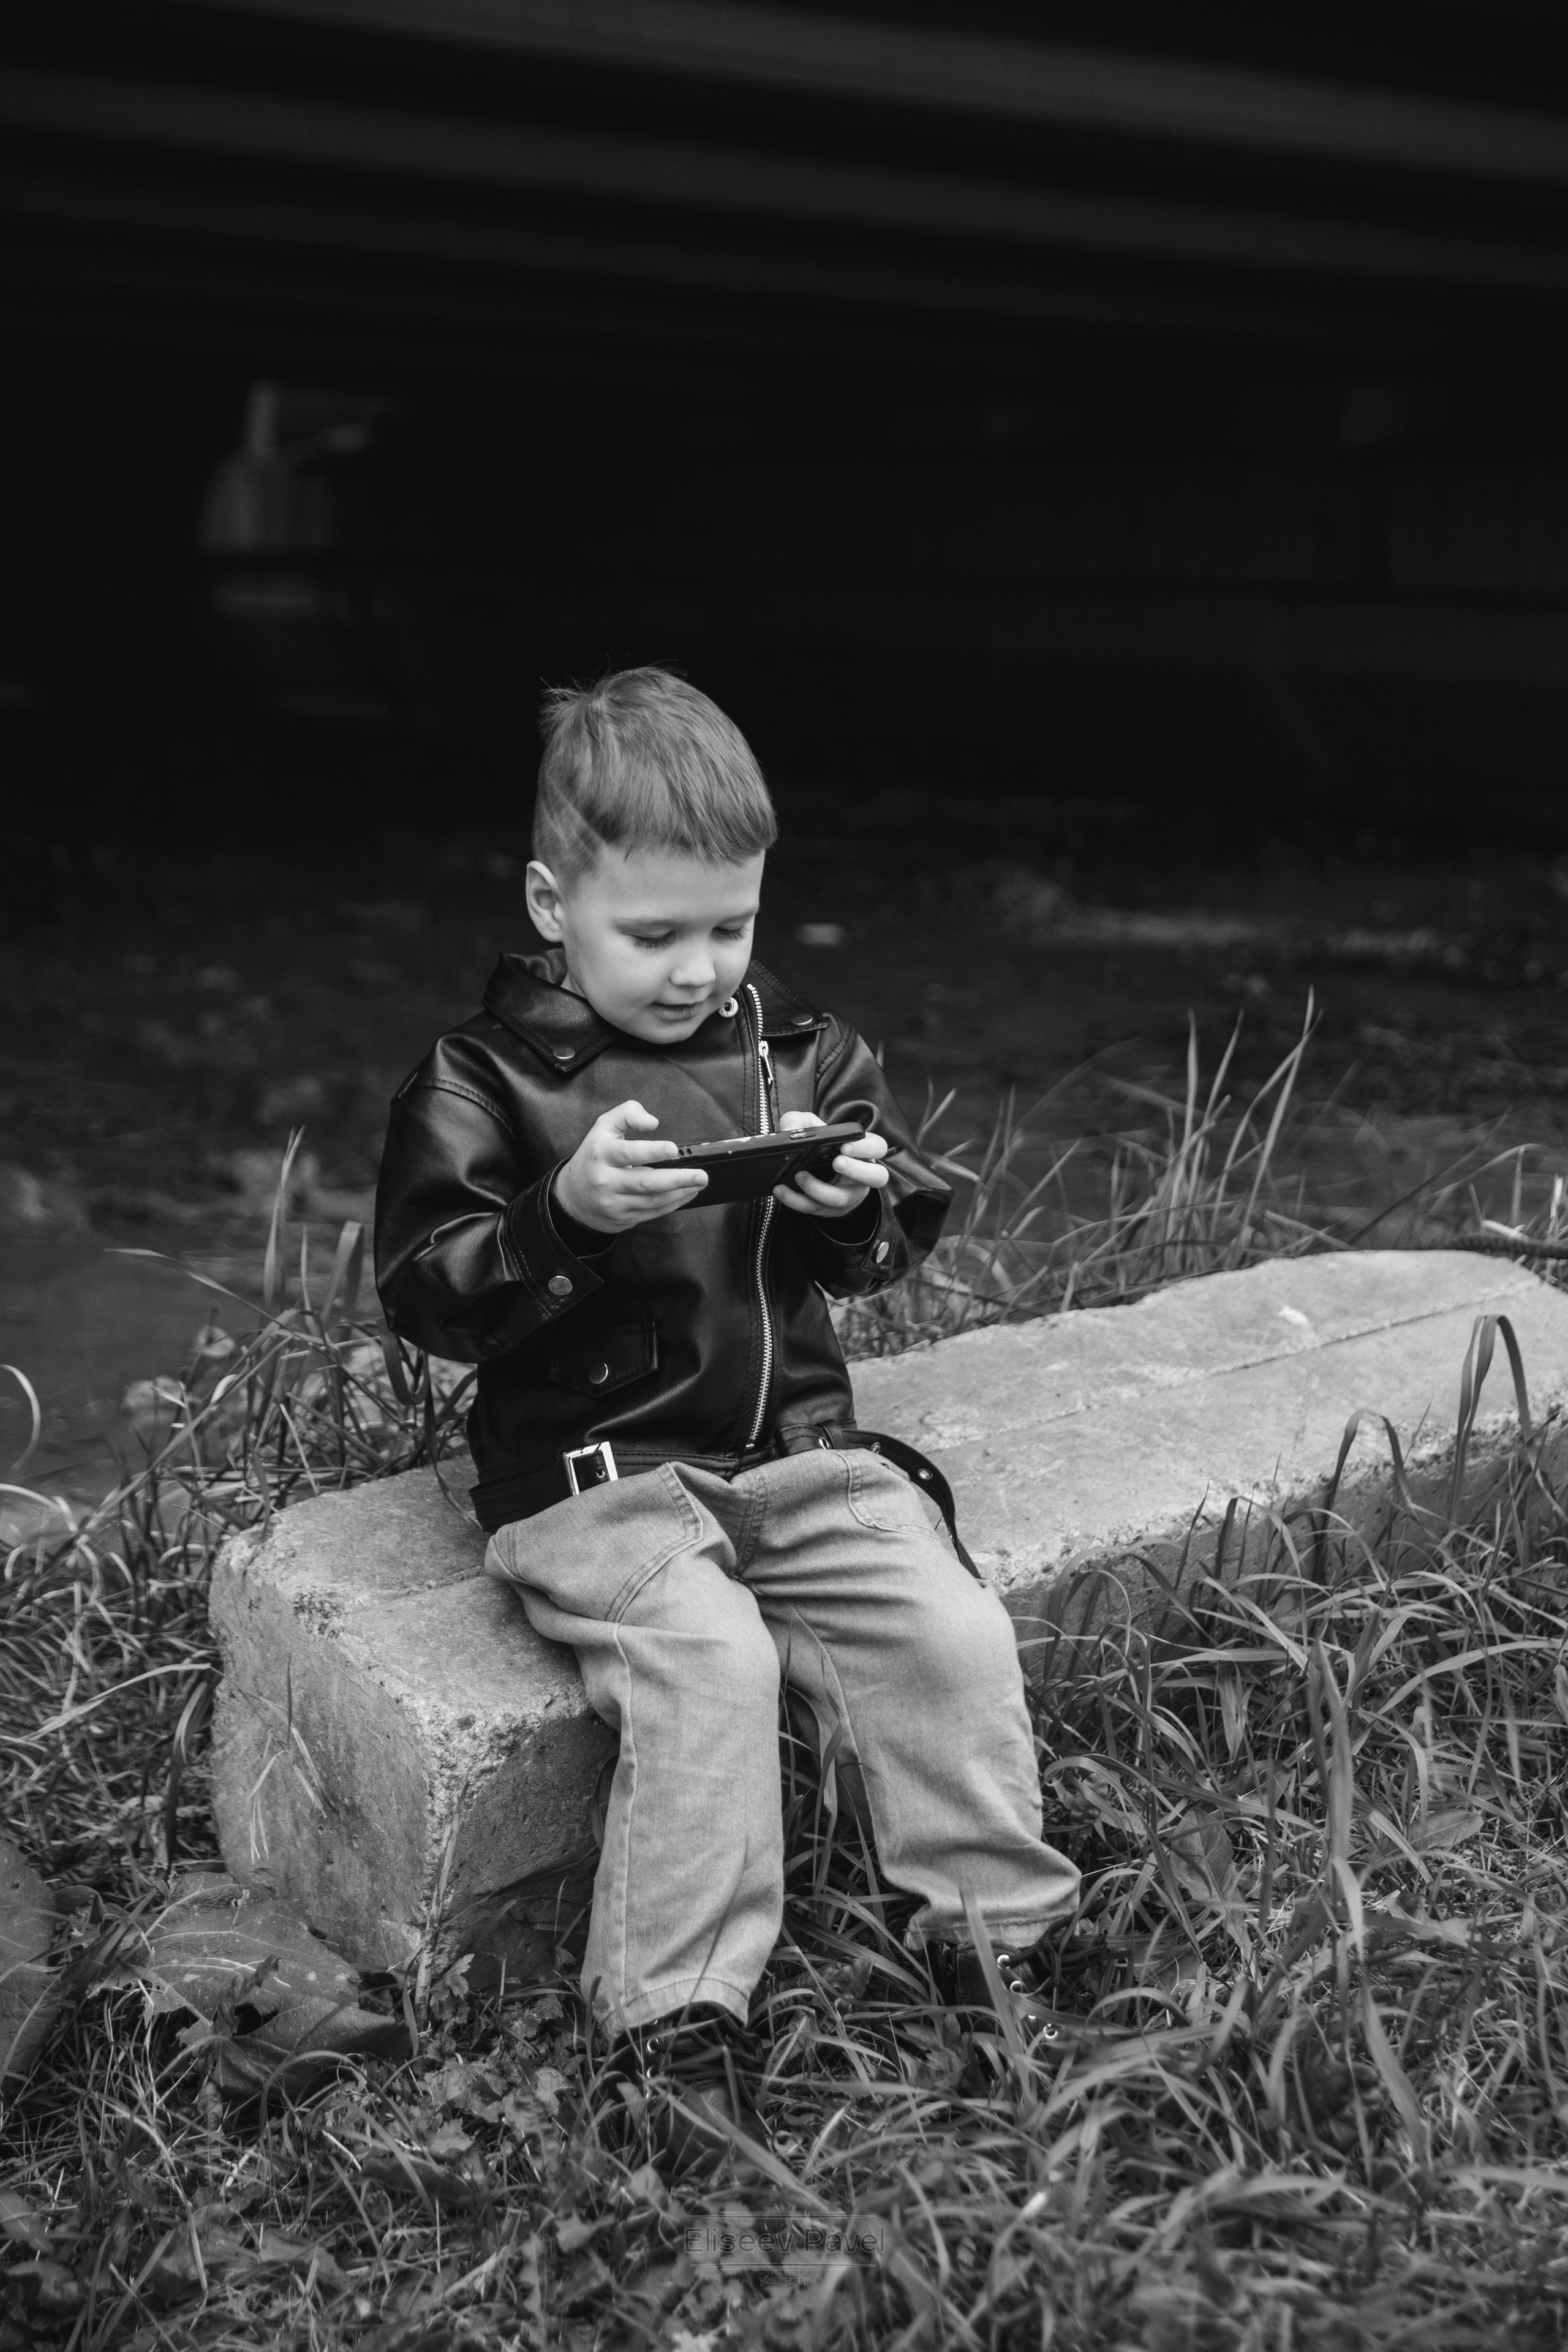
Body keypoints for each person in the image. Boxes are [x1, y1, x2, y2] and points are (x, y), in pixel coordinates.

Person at [374, 668, 1079, 2168]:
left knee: (942, 1628)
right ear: (551, 903)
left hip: (788, 1454)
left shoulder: (800, 1055)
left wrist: (851, 1206)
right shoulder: (479, 1080)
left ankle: (997, 1936)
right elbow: (430, 1301)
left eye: (731, 927)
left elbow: (879, 1252)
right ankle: (674, 2024)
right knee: (711, 1661)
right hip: (596, 1481)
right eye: (656, 934)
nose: (700, 969)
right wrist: (556, 1220)